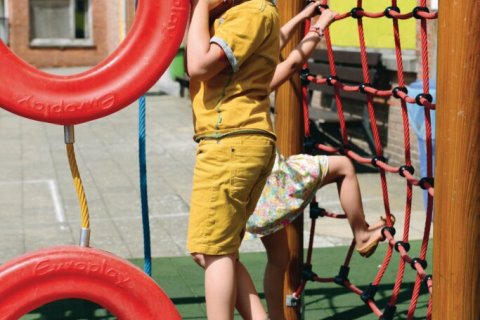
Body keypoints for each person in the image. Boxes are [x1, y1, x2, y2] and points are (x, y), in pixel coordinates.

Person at [186, 0, 336, 318]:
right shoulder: (252, 18)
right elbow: (275, 41)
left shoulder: (252, 13)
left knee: (216, 252)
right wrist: (303, 19)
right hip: (237, 142)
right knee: (210, 251)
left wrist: (198, 6)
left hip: (230, 142)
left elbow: (198, 65)